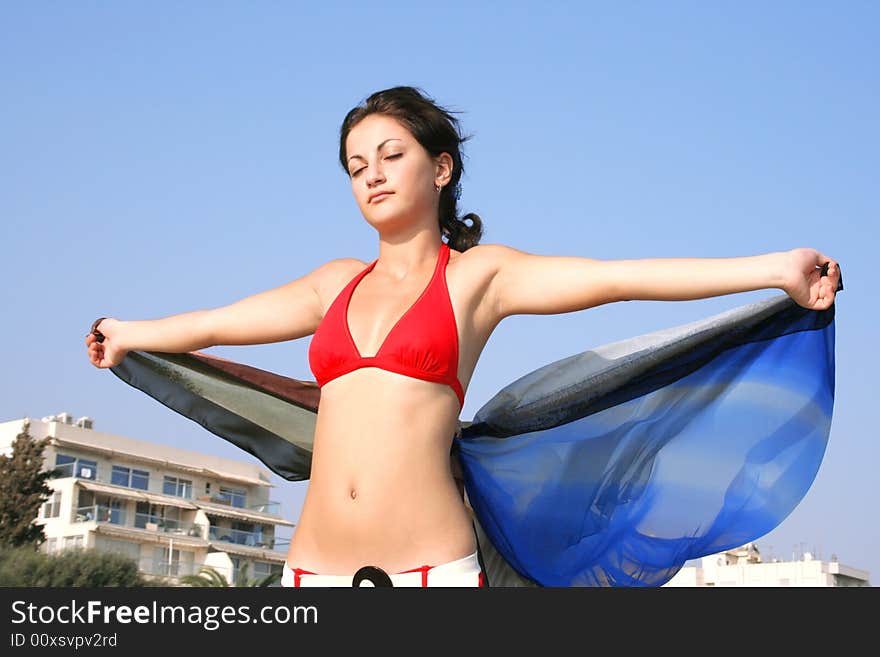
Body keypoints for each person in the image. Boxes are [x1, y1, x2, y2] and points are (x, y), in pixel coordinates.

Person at [86, 86, 841, 588]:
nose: (372, 175)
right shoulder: (332, 283)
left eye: (392, 155)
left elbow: (620, 276)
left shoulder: (476, 278)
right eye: (356, 166)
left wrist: (772, 269)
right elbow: (219, 323)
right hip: (309, 573)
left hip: (431, 572)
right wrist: (129, 333)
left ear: (440, 167)